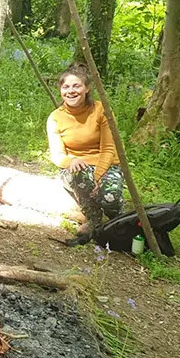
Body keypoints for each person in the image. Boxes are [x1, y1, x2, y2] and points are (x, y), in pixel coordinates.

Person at [47, 62, 124, 234]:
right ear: (60, 90)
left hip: (106, 165)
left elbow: (109, 149)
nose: (71, 91)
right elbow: (57, 156)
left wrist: (97, 177)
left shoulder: (101, 110)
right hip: (76, 167)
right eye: (65, 87)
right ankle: (93, 219)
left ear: (87, 88)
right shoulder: (55, 118)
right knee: (79, 173)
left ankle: (118, 219)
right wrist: (71, 160)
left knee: (109, 198)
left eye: (76, 86)